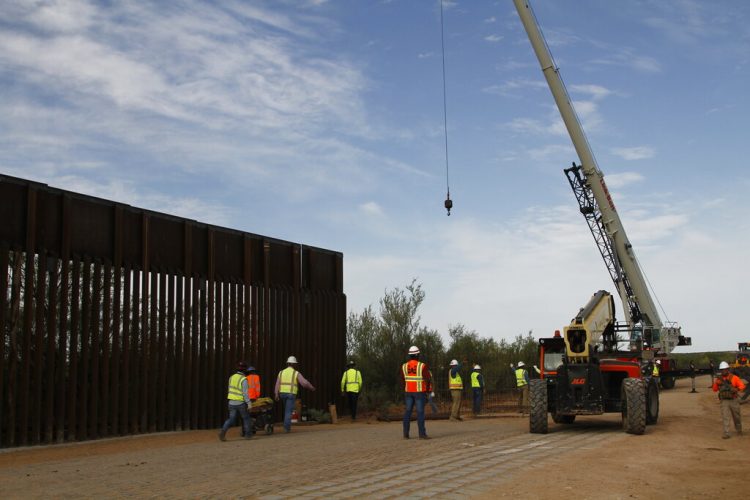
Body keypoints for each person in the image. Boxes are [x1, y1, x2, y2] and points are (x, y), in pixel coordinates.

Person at [275, 355, 316, 433]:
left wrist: (276, 394)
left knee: (286, 410)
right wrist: (311, 387)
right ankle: (287, 428)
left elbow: (277, 384)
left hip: (282, 394)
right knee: (288, 411)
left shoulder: (281, 372)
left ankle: (286, 426)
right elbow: (304, 383)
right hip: (291, 394)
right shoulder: (295, 373)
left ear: (288, 363)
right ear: (294, 364)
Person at [400, 345, 431, 439]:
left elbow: (402, 380)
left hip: (408, 392)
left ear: (410, 355)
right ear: (417, 355)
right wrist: (427, 391)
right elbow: (428, 379)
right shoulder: (422, 366)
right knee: (420, 412)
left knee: (407, 412)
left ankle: (406, 434)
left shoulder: (404, 366)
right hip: (419, 392)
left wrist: (405, 389)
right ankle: (422, 434)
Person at [219, 361, 253, 441]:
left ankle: (223, 432)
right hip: (241, 403)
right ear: (245, 370)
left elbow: (229, 389)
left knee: (231, 419)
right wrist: (249, 403)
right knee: (246, 418)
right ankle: (248, 435)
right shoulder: (243, 379)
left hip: (231, 402)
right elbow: (245, 393)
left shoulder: (231, 377)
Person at [711, 361, 745, 439]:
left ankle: (739, 430)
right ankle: (726, 433)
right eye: (722, 370)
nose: (723, 371)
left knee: (736, 416)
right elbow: (714, 389)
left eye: (725, 369)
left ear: (728, 369)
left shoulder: (734, 378)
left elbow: (742, 386)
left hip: (734, 400)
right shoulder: (719, 379)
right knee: (725, 416)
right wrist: (716, 383)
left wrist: (736, 389)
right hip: (724, 401)